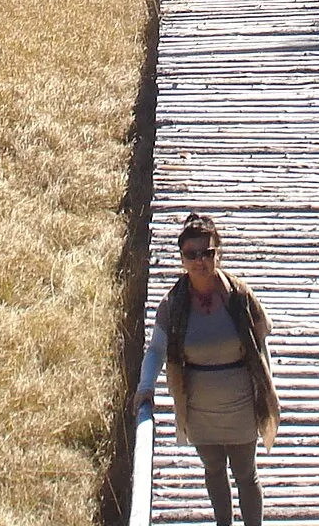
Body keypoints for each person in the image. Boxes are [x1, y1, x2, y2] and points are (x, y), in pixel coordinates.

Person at [131, 212, 280, 526]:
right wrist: (145, 387)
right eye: (192, 254)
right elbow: (157, 349)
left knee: (245, 473)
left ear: (218, 253)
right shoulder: (173, 305)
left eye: (207, 253)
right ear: (182, 259)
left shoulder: (239, 296)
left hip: (240, 405)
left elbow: (260, 344)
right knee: (212, 470)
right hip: (198, 407)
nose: (200, 261)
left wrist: (268, 391)